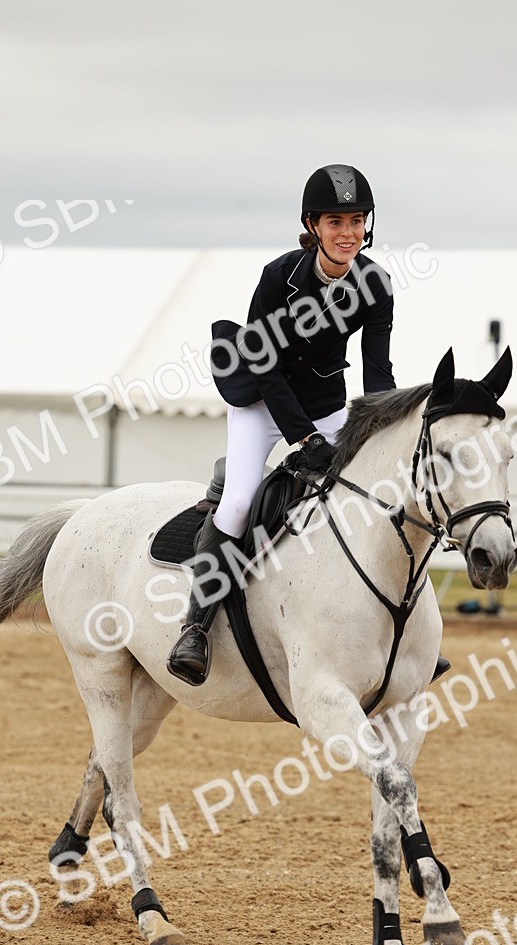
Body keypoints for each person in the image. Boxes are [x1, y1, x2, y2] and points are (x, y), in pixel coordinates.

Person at [167, 164, 397, 687]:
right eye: (336, 221)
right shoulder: (279, 277)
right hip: (263, 406)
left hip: (328, 406)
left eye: (357, 221)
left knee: (374, 497)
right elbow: (264, 365)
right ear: (312, 225)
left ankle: (392, 635)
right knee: (240, 502)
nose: (348, 233)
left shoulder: (375, 284)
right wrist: (303, 438)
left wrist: (379, 428)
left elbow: (377, 371)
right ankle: (196, 627)